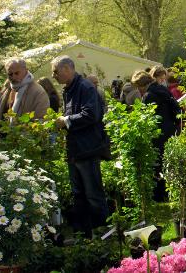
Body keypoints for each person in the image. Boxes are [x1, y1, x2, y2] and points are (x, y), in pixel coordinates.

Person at [51, 55, 110, 238]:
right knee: (79, 195)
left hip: (87, 149)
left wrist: (66, 120)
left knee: (93, 195)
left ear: (68, 69)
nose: (53, 76)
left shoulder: (84, 87)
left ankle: (102, 233)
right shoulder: (69, 89)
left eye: (56, 71)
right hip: (75, 150)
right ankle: (85, 235)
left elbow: (92, 114)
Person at [133, 70, 181, 202]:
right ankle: (171, 191)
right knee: (169, 162)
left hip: (158, 134)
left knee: (158, 164)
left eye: (138, 86)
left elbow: (147, 118)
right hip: (171, 130)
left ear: (143, 85)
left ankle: (160, 194)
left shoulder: (149, 96)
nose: (138, 89)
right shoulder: (163, 89)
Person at [0, 57, 50, 132]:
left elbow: (41, 122)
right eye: (10, 74)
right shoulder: (5, 91)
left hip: (26, 141)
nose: (13, 77)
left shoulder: (38, 92)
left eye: (17, 73)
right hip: (4, 140)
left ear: (26, 71)